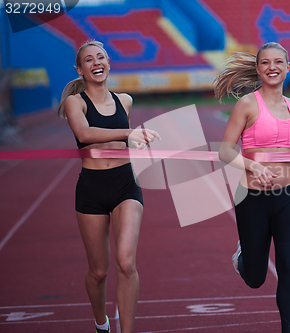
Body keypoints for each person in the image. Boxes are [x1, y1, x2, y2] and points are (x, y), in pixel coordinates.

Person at [214, 42, 290, 333]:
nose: (272, 67)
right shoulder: (248, 104)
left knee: (289, 267)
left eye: (278, 62)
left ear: (288, 67)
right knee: (256, 278)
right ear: (258, 69)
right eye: (265, 63)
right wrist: (254, 166)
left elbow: (287, 140)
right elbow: (225, 150)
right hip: (252, 197)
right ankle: (244, 257)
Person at [58, 41, 160, 333]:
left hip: (125, 184)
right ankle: (102, 325)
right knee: (99, 272)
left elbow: (121, 144)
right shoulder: (75, 102)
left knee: (126, 263)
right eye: (88, 60)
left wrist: (136, 141)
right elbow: (85, 133)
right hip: (91, 188)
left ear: (109, 63)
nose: (96, 62)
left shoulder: (124, 100)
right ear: (80, 69)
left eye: (100, 57)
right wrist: (130, 132)